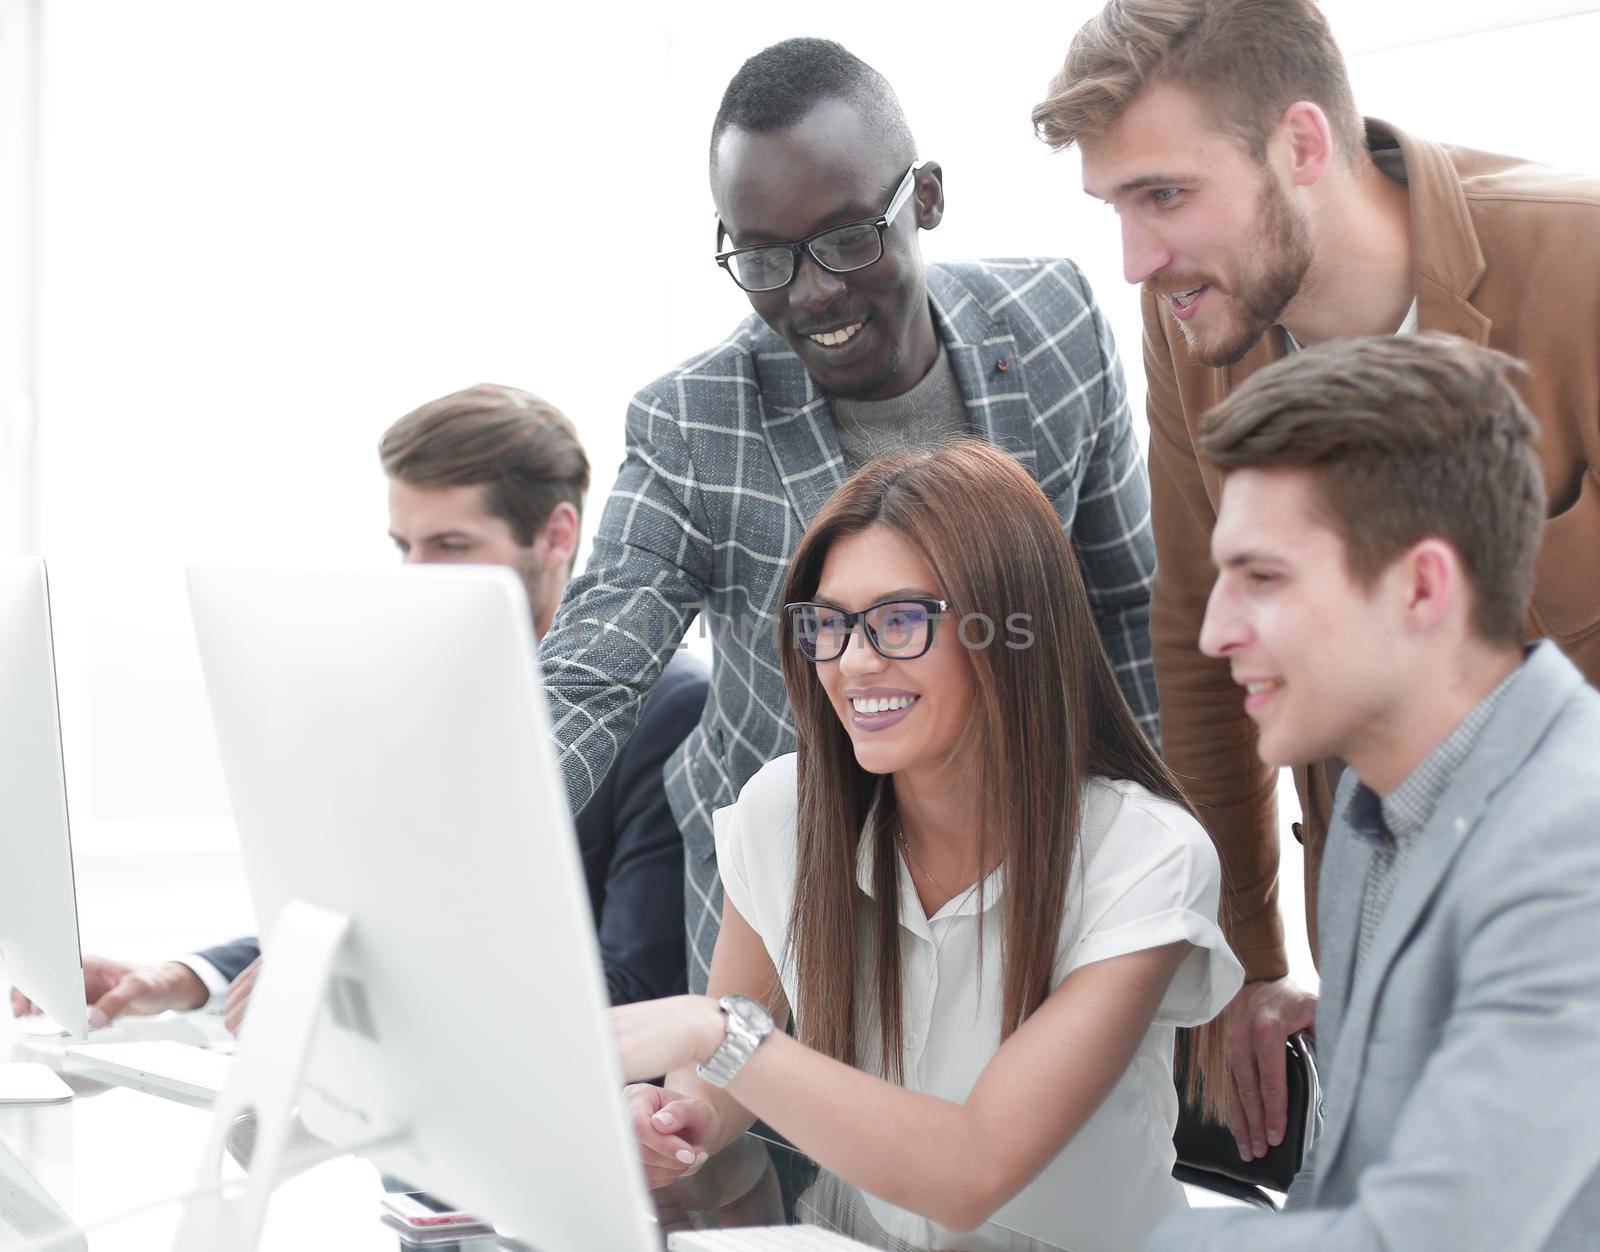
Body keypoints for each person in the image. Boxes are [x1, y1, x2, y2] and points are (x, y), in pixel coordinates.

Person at [1032, 0, 1600, 1157]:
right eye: (1116, 209)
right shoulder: (1190, 313)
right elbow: (1198, 635)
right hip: (1387, 944)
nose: (1137, 259)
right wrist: (1244, 956)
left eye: (1165, 195)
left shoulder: (1579, 261)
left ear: (1300, 144)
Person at [541, 37, 1160, 995]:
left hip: (1033, 880)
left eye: (845, 239)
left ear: (926, 198)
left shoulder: (1058, 322)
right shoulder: (694, 419)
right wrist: (466, 836)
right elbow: (593, 669)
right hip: (796, 923)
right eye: (764, 258)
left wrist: (1162, 854)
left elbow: (1125, 609)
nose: (813, 291)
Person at [610, 442, 1241, 1251]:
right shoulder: (785, 809)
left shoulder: (1144, 854)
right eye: (828, 624)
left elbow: (971, 1173)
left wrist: (711, 1032)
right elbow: (726, 1082)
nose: (853, 661)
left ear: (1015, 632)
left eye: (900, 621)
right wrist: (678, 1116)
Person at [10, 384, 706, 1030]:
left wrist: (348, 990)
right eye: (406, 546)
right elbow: (364, 919)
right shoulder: (426, 698)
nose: (417, 576)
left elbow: (636, 990)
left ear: (556, 535)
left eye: (451, 545)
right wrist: (187, 978)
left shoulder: (669, 708)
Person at [1147, 334, 1600, 1248]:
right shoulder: (1368, 814)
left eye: (1262, 578)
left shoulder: (1573, 847)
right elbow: (1341, 1185)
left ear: (1422, 586)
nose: (1215, 632)